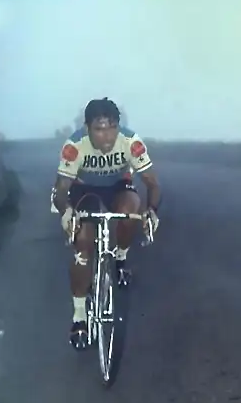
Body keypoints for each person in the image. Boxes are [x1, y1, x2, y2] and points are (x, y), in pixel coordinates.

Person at [52, 97, 161, 350]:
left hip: (117, 187)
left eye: (112, 127)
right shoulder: (74, 146)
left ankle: (120, 257)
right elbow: (61, 189)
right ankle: (79, 315)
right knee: (83, 245)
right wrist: (66, 211)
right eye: (99, 129)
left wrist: (152, 211)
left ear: (119, 127)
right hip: (83, 190)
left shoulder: (131, 143)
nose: (107, 136)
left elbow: (152, 184)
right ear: (87, 128)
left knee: (129, 209)